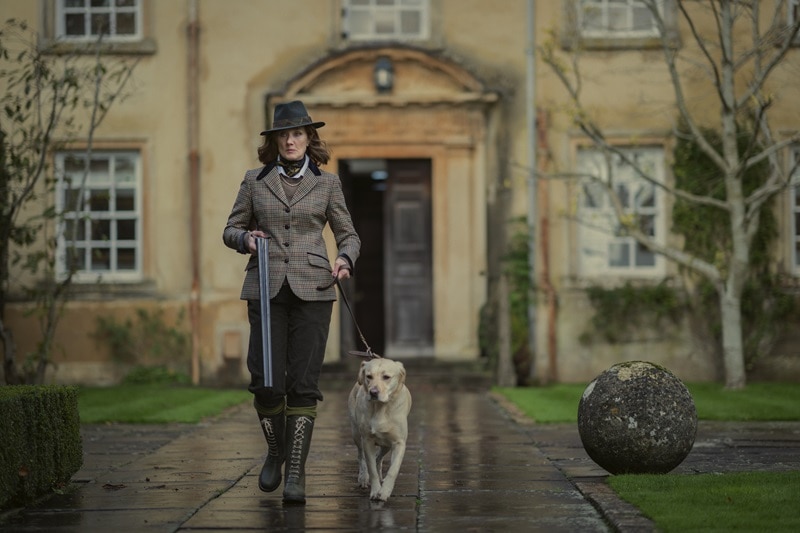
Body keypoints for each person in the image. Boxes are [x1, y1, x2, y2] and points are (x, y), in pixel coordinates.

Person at [222, 100, 360, 504]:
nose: (291, 140)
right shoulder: (253, 180)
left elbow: (348, 234)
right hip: (264, 288)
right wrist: (245, 239)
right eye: (284, 134)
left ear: (308, 138)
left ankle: (296, 471)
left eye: (298, 133)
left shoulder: (329, 184)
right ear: (275, 141)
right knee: (265, 381)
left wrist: (344, 258)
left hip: (314, 289)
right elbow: (230, 229)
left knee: (303, 383)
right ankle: (276, 452)